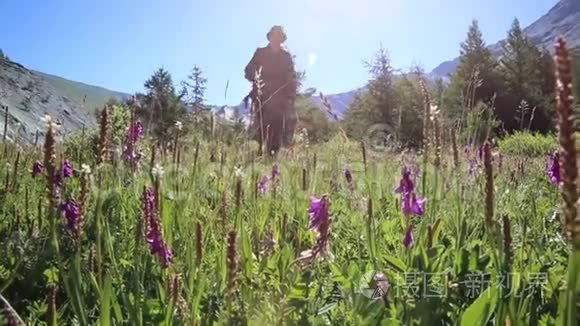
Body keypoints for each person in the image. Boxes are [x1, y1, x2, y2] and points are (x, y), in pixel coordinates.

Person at [244, 25, 298, 154]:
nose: (277, 38)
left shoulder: (286, 56)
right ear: (270, 37)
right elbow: (248, 71)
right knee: (262, 126)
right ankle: (259, 154)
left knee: (278, 127)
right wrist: (257, 80)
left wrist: (290, 95)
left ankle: (272, 156)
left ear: (282, 39)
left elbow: (291, 77)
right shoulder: (260, 53)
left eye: (279, 36)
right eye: (275, 35)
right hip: (262, 96)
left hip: (280, 99)